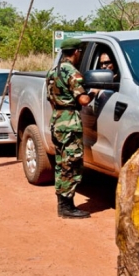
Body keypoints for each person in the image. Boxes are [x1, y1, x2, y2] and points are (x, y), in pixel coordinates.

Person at [46, 38, 92, 219]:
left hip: (57, 119)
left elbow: (51, 99)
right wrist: (93, 94)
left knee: (61, 163)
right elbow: (83, 100)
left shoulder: (52, 72)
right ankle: (66, 206)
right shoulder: (72, 73)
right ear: (76, 52)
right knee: (71, 163)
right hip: (70, 122)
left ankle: (63, 204)